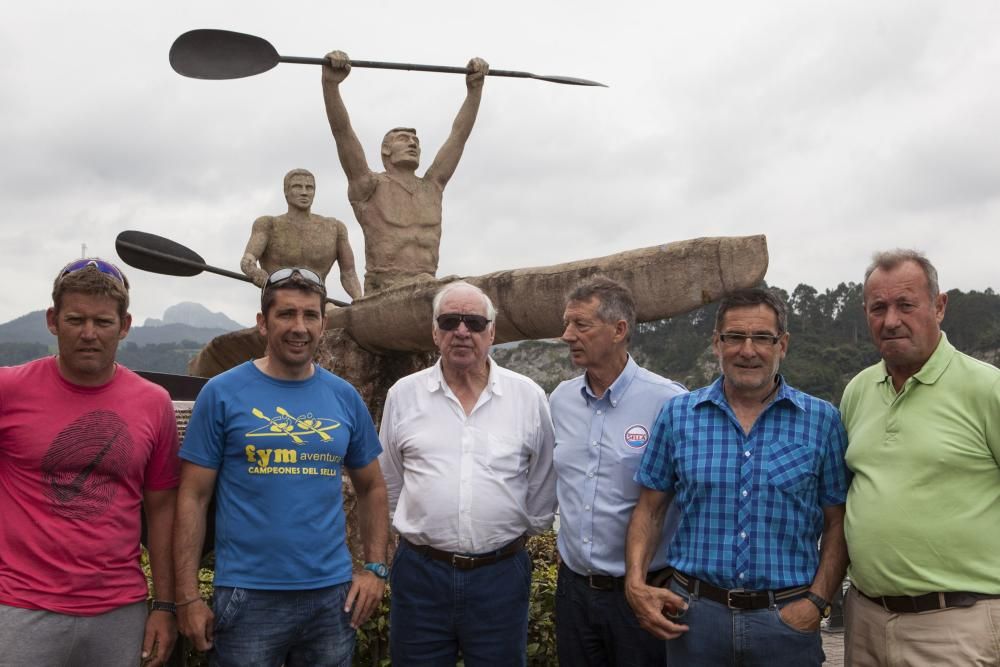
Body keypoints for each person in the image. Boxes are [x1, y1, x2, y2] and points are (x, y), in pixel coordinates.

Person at [174, 267, 388, 666]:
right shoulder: (221, 393)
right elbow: (193, 496)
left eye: (310, 315)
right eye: (286, 314)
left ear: (324, 324)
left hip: (332, 598)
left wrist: (375, 568)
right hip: (247, 596)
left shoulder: (343, 397)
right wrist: (187, 596)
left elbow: (373, 486)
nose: (299, 327)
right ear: (262, 322)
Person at [625, 288, 850, 666]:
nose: (748, 350)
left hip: (786, 622)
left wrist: (817, 602)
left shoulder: (822, 421)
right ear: (717, 343)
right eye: (735, 337)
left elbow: (838, 522)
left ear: (783, 344)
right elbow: (649, 510)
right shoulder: (678, 416)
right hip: (694, 620)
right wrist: (635, 584)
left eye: (762, 337)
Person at [0, 258, 179, 666]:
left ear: (125, 325)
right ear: (52, 320)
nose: (88, 334)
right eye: (75, 319)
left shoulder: (153, 404)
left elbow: (163, 511)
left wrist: (165, 606)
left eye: (102, 322)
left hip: (119, 610)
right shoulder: (8, 389)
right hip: (20, 608)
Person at [379, 280, 556, 665]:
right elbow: (390, 480)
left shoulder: (528, 396)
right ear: (434, 331)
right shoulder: (403, 395)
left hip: (500, 575)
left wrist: (522, 532)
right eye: (450, 320)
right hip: (421, 575)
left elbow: (543, 477)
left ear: (491, 332)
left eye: (474, 322)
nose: (462, 331)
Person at [841, 250, 1000, 666]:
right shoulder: (857, 391)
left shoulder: (986, 389)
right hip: (866, 622)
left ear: (939, 306)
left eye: (906, 305)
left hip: (958, 625)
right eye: (879, 308)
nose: (891, 320)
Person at [549, 276, 686, 665]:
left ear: (619, 330)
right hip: (573, 592)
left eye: (581, 325)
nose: (567, 335)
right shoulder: (560, 401)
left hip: (642, 592)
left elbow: (690, 496)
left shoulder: (668, 402)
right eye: (567, 323)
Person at [322, 51, 488, 293]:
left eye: (416, 141)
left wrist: (474, 92)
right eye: (403, 139)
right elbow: (342, 131)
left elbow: (458, 136)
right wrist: (330, 85)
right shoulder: (368, 186)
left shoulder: (432, 187)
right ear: (386, 150)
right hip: (384, 288)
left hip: (429, 284)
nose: (413, 144)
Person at [240, 168, 363, 303]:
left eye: (309, 188)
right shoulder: (268, 225)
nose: (304, 192)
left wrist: (359, 299)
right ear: (286, 191)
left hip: (316, 301)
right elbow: (248, 261)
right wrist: (257, 274)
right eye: (297, 187)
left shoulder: (335, 228)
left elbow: (349, 273)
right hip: (278, 299)